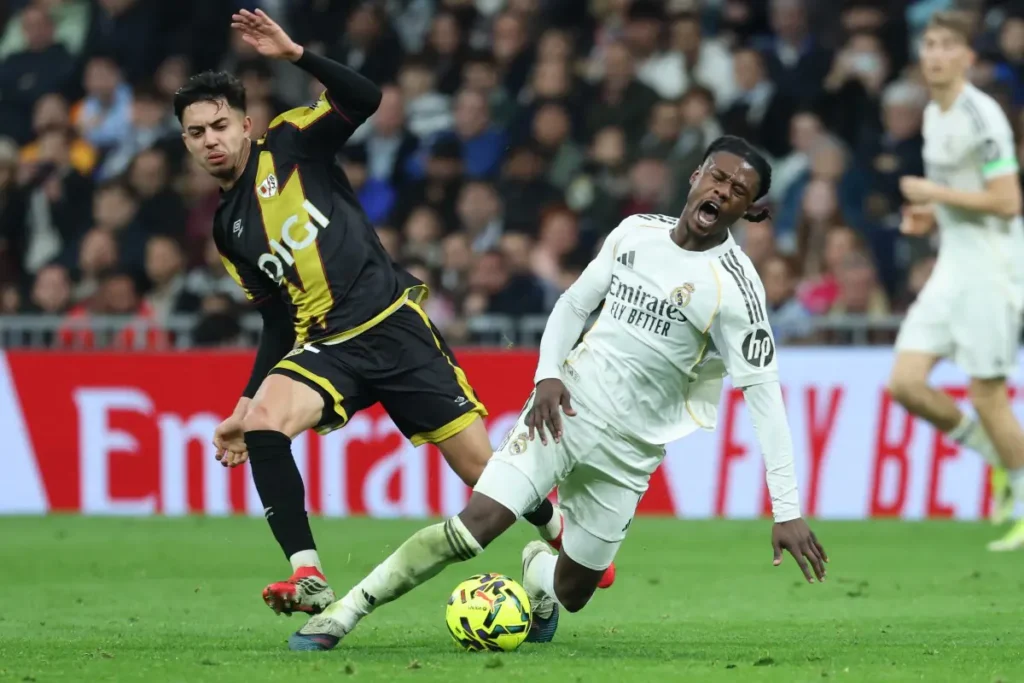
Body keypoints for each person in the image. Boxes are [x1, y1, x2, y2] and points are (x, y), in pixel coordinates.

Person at [289, 135, 828, 652]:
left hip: (631, 451)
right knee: (475, 527)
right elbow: (574, 304)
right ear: (695, 176)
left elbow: (765, 399)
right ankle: (346, 611)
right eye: (717, 177)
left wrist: (787, 511)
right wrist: (547, 374)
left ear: (749, 210)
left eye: (738, 190)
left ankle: (535, 570)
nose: (722, 191)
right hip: (566, 409)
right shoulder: (635, 232)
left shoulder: (736, 290)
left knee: (574, 591)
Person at [173, 10, 606, 619]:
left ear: (246, 125)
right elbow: (276, 320)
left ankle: (557, 527)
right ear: (186, 143)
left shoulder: (293, 142)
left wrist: (296, 54)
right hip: (326, 346)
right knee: (266, 425)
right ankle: (308, 574)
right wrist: (245, 405)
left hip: (392, 325)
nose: (211, 140)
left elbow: (365, 98)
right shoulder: (228, 230)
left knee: (483, 472)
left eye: (220, 125)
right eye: (196, 133)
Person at [892, 12, 1024, 551]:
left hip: (993, 268)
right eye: (929, 44)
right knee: (906, 383)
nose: (936, 54)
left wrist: (934, 195)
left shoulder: (980, 114)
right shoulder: (932, 113)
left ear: (968, 57)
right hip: (953, 265)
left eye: (948, 45)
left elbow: (1008, 201)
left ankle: (1021, 497)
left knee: (986, 394)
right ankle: (1000, 459)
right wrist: (927, 216)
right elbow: (956, 198)